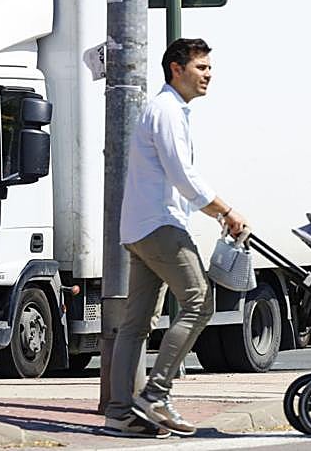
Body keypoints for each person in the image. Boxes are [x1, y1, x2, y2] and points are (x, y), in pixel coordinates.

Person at [104, 38, 249, 439]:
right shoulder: (166, 111)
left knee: (135, 325)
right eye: (201, 67)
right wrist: (226, 211)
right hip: (158, 225)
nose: (208, 75)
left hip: (139, 228)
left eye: (209, 68)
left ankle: (119, 412)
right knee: (200, 302)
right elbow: (183, 177)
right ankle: (156, 393)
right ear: (176, 69)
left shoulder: (170, 111)